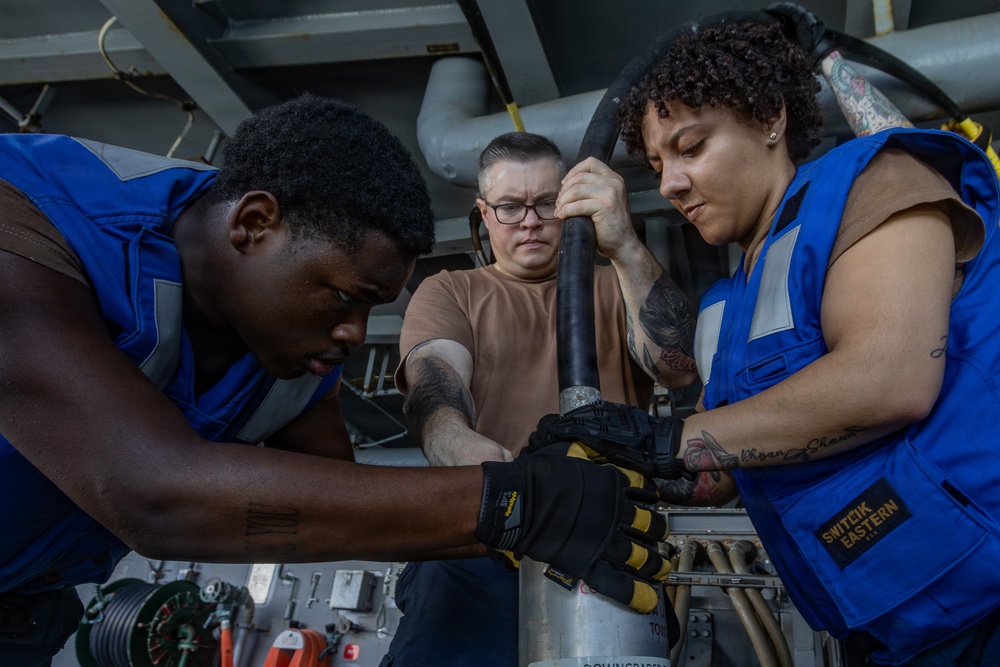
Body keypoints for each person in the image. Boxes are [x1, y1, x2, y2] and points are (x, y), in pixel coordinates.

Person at [0, 94, 673, 666]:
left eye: (370, 308)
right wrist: (514, 501)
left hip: (28, 615)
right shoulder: (30, 216)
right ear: (254, 223)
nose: (355, 335)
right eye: (345, 298)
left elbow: (341, 511)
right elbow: (151, 493)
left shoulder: (291, 366)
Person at [530, 11, 1000, 667]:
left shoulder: (871, 181)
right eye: (660, 163)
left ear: (770, 118)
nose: (669, 183)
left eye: (691, 148)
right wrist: (609, 466)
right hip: (887, 632)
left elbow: (890, 378)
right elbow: (721, 467)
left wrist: (672, 439)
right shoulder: (727, 310)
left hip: (985, 604)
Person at [378, 131, 698, 667]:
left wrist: (622, 244)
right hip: (477, 550)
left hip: (604, 548)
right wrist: (453, 440)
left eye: (547, 203)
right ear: (483, 213)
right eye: (509, 207)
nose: (530, 221)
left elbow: (678, 366)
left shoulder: (618, 283)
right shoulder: (452, 290)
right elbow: (436, 377)